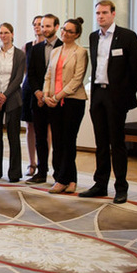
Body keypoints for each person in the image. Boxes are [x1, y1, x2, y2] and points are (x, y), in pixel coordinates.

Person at [82, 0, 137, 204]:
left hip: (117, 97)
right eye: (97, 13)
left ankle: (121, 187)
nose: (100, 16)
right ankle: (100, 184)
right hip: (98, 93)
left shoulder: (127, 36)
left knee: (117, 143)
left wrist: (125, 95)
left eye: (105, 13)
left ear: (113, 14)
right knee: (100, 143)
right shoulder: (93, 37)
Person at [43, 18, 88, 194]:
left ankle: (63, 180)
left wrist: (57, 96)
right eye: (64, 30)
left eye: (70, 31)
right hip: (53, 101)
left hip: (73, 101)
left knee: (69, 140)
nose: (65, 33)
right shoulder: (55, 51)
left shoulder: (81, 52)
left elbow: (77, 79)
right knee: (58, 141)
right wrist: (46, 95)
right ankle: (70, 179)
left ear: (76, 34)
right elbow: (48, 75)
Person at [0, 22, 26, 182]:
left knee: (13, 136)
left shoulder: (19, 54)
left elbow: (18, 78)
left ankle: (14, 173)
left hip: (13, 99)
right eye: (1, 33)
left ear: (12, 34)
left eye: (6, 33)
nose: (3, 36)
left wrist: (5, 95)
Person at [27, 15, 61, 184]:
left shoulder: (63, 47)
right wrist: (38, 93)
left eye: (48, 26)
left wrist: (50, 95)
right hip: (38, 99)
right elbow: (31, 74)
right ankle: (41, 171)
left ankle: (59, 173)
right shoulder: (36, 48)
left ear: (56, 26)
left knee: (58, 137)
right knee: (40, 137)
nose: (44, 29)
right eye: (42, 26)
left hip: (57, 100)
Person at [21, 16, 44, 178]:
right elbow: (24, 69)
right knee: (30, 127)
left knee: (45, 128)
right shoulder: (27, 46)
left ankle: (44, 162)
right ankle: (32, 162)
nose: (37, 27)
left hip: (45, 88)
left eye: (40, 25)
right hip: (29, 88)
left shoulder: (52, 46)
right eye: (34, 24)